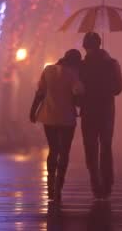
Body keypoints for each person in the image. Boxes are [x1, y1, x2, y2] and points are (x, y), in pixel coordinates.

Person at [30, 49, 84, 202]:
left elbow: (40, 92)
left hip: (49, 116)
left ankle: (50, 184)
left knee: (53, 150)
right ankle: (59, 185)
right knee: (64, 152)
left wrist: (33, 111)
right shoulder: (73, 74)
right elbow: (78, 94)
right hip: (67, 118)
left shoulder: (48, 70)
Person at [80, 32, 122, 199]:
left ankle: (95, 183)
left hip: (88, 110)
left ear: (85, 46)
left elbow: (76, 90)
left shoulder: (82, 66)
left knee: (90, 147)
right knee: (106, 146)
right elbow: (118, 89)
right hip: (106, 110)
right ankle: (107, 182)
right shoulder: (112, 63)